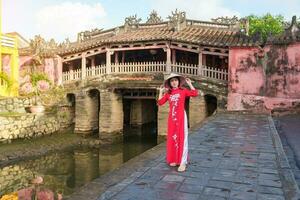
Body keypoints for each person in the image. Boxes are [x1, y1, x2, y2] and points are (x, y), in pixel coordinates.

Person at [157, 73, 198, 172]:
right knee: (172, 138)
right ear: (170, 83)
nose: (174, 82)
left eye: (175, 80)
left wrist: (189, 84)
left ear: (178, 82)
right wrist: (161, 92)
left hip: (181, 118)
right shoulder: (169, 94)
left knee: (182, 138)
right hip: (172, 119)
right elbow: (159, 103)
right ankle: (175, 159)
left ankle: (183, 162)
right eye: (172, 81)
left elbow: (195, 93)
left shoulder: (183, 91)